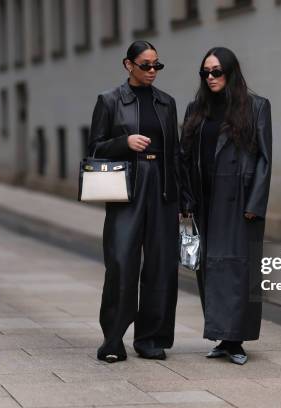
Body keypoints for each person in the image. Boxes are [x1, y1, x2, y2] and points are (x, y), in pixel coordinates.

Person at [88, 41, 181, 363]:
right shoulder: (110, 101)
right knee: (120, 264)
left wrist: (183, 199)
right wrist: (123, 142)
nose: (152, 71)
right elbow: (95, 149)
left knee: (161, 267)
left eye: (157, 65)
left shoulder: (167, 103)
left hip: (163, 188)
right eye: (146, 65)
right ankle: (113, 340)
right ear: (128, 65)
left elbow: (176, 153)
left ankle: (151, 339)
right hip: (126, 188)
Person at [180, 47, 272, 365]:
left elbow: (264, 158)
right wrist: (186, 198)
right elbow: (186, 157)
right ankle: (221, 335)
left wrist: (255, 203)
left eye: (216, 71)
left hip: (239, 200)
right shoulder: (196, 109)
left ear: (230, 72)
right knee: (212, 269)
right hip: (206, 200)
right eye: (205, 72)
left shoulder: (256, 107)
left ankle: (236, 340)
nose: (210, 77)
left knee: (238, 269)